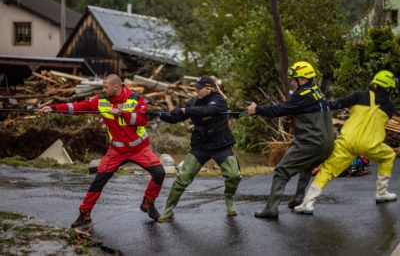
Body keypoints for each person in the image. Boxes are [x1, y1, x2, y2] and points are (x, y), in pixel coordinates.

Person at [40, 74, 165, 227]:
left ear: (116, 87)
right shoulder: (101, 100)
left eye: (106, 87)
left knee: (159, 173)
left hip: (138, 149)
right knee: (98, 181)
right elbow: (78, 107)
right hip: (116, 150)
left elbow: (142, 120)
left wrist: (122, 113)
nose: (103, 90)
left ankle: (148, 203)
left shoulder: (135, 98)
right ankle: (84, 214)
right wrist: (53, 109)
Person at [295, 70, 398, 215]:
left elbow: (337, 103)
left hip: (347, 141)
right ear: (388, 88)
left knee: (328, 169)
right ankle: (381, 192)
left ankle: (307, 203)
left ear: (375, 84)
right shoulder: (390, 106)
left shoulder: (360, 95)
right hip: (370, 144)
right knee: (388, 156)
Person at [246, 61, 335, 218]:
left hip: (311, 142)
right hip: (327, 144)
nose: (292, 82)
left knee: (281, 172)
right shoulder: (318, 92)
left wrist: (257, 109)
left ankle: (271, 209)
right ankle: (298, 198)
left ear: (303, 80)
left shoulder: (301, 95)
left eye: (294, 79)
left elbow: (280, 109)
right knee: (306, 166)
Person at [147, 75, 242, 222]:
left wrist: (186, 110)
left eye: (199, 88)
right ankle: (168, 210)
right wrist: (159, 114)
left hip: (220, 145)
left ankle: (229, 198)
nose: (196, 90)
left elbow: (206, 111)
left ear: (208, 88)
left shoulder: (219, 100)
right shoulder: (193, 102)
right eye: (195, 88)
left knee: (234, 175)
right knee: (182, 179)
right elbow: (175, 118)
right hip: (201, 145)